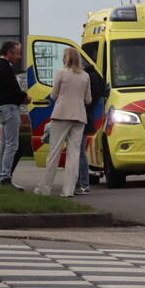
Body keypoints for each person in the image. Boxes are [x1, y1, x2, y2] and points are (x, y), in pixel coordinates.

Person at [34, 47, 91, 197]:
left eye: (64, 56)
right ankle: (68, 190)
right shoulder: (85, 76)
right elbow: (88, 99)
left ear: (67, 58)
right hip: (79, 117)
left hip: (61, 115)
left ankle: (44, 188)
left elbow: (53, 95)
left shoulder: (61, 72)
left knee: (54, 152)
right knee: (74, 154)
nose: (63, 59)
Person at [0, 40, 29, 190]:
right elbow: (13, 89)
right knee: (12, 145)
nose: (19, 56)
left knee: (3, 144)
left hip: (1, 109)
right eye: (18, 53)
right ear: (9, 53)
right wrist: (24, 97)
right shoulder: (5, 67)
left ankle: (2, 175)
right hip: (9, 109)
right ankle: (6, 177)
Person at [75, 62, 106, 195]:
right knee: (80, 151)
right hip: (86, 116)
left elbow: (55, 95)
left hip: (78, 116)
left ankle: (81, 182)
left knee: (78, 151)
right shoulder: (94, 75)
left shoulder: (84, 76)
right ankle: (82, 182)